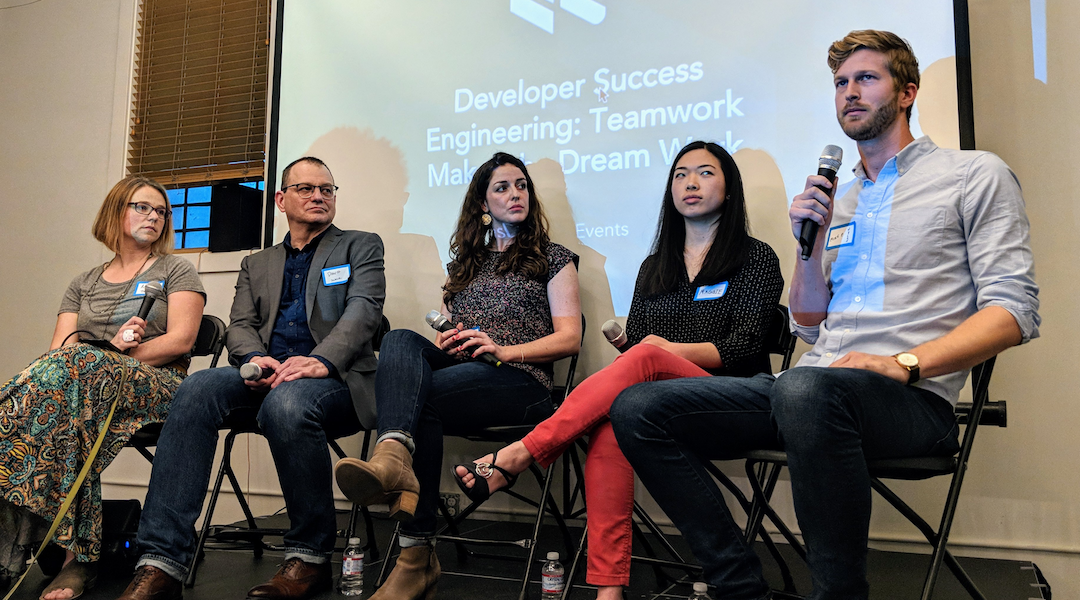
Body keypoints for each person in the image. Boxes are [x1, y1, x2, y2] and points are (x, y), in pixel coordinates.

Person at [610, 30, 1040, 600]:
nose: (849, 93)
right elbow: (810, 325)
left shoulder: (973, 175)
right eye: (840, 83)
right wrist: (805, 247)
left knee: (806, 391)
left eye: (866, 78)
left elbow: (1014, 310)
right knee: (639, 408)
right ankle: (739, 585)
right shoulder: (837, 200)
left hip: (912, 398)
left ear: (908, 91)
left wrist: (906, 364)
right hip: (813, 387)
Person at [453, 142, 784, 599]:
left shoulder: (756, 257)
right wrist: (637, 348)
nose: (690, 182)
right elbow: (643, 342)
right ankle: (609, 590)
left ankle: (520, 454)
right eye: (681, 174)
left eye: (705, 173)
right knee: (614, 415)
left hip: (734, 397)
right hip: (662, 403)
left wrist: (663, 351)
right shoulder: (655, 266)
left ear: (729, 190)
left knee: (645, 361)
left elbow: (744, 345)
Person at [116, 157, 386, 600]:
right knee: (197, 388)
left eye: (327, 189)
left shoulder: (360, 245)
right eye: (306, 188)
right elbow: (240, 325)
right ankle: (161, 563)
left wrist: (320, 361)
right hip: (268, 373)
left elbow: (364, 312)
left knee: (288, 403)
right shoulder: (256, 262)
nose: (319, 196)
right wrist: (257, 359)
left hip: (334, 382)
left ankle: (310, 557)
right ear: (281, 200)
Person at [333, 152, 581, 600]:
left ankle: (414, 553)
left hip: (521, 380)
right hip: (466, 373)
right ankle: (396, 455)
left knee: (419, 402)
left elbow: (570, 339)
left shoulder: (554, 258)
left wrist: (503, 349)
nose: (516, 194)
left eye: (521, 185)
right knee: (401, 340)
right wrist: (452, 342)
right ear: (483, 206)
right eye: (502, 187)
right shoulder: (464, 266)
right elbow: (448, 327)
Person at [0, 176, 205, 600]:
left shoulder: (175, 269)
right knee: (50, 409)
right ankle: (20, 552)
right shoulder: (84, 282)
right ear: (116, 211)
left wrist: (112, 359)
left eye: (161, 211)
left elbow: (182, 340)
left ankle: (79, 561)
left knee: (65, 386)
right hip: (87, 388)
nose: (155, 216)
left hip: (157, 386)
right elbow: (58, 349)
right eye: (142, 207)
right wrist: (107, 351)